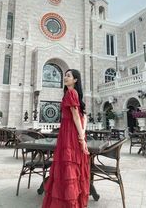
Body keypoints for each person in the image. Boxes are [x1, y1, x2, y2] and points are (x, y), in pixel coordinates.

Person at [42, 69, 90, 208]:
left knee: (67, 165)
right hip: (75, 131)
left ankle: (67, 202)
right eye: (65, 75)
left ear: (75, 80)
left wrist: (81, 138)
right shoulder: (74, 94)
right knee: (73, 166)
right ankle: (72, 201)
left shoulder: (70, 93)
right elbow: (84, 117)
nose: (65, 77)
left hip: (70, 132)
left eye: (68, 76)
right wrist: (82, 135)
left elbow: (76, 116)